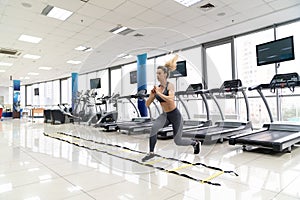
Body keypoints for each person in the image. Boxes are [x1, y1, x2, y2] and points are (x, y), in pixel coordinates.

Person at [142, 55, 200, 162]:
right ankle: (151, 153)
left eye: (159, 73)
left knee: (177, 141)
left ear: (165, 74)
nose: (157, 75)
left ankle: (194, 143)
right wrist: (152, 94)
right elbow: (147, 104)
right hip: (165, 115)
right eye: (157, 74)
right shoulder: (157, 88)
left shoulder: (170, 86)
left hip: (175, 115)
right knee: (153, 129)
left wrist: (159, 93)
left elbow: (170, 99)